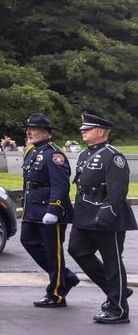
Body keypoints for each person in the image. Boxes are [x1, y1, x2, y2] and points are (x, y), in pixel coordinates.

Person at [68, 112, 136, 324]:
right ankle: (116, 291)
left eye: (86, 129)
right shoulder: (84, 155)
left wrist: (105, 217)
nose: (82, 132)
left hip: (107, 217)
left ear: (100, 132)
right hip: (84, 215)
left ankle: (118, 310)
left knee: (112, 263)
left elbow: (117, 191)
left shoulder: (112, 156)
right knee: (77, 251)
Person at [19, 113, 79, 308]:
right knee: (27, 240)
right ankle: (66, 277)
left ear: (45, 132)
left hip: (49, 210)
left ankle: (56, 293)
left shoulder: (54, 154)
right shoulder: (31, 151)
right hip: (33, 209)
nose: (29, 132)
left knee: (54, 253)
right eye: (28, 128)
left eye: (33, 129)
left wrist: (53, 209)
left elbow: (61, 185)